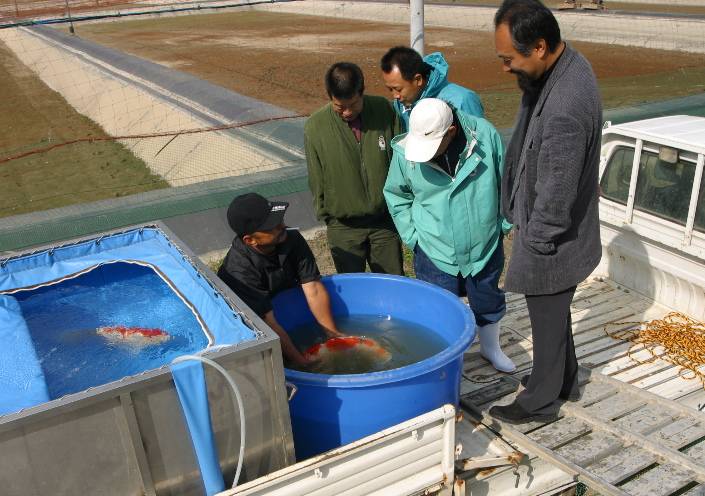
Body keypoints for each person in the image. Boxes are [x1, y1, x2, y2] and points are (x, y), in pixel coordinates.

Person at [489, 0, 602, 424]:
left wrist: (534, 243)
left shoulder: (566, 105)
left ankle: (540, 401)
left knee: (546, 316)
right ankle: (567, 380)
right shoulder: (562, 67)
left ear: (539, 47)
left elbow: (557, 191)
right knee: (554, 315)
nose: (505, 68)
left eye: (509, 59)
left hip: (552, 236)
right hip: (552, 228)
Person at [383, 98, 516, 373]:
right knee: (438, 307)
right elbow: (397, 194)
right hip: (434, 247)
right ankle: (445, 361)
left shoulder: (485, 137)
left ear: (452, 132)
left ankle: (491, 348)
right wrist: (414, 237)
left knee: (487, 297)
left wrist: (502, 226)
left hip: (484, 244)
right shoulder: (404, 152)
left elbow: (506, 182)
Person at [217, 193, 342, 368]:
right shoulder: (239, 271)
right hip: (254, 325)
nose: (282, 225)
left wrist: (333, 336)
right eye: (272, 226)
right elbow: (268, 323)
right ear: (250, 240)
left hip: (282, 306)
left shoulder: (290, 238)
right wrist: (302, 362)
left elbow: (313, 288)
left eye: (279, 219)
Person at [304, 62, 404, 275]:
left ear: (362, 92)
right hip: (344, 228)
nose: (347, 112)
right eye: (340, 107)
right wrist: (328, 215)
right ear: (330, 96)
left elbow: (400, 159)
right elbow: (316, 176)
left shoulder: (384, 110)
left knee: (392, 284)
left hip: (383, 223)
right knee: (353, 290)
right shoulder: (316, 126)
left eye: (353, 104)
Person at [380, 46, 484, 132]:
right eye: (390, 89)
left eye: (398, 89)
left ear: (418, 79)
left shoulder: (463, 100)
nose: (395, 96)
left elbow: (479, 144)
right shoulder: (401, 103)